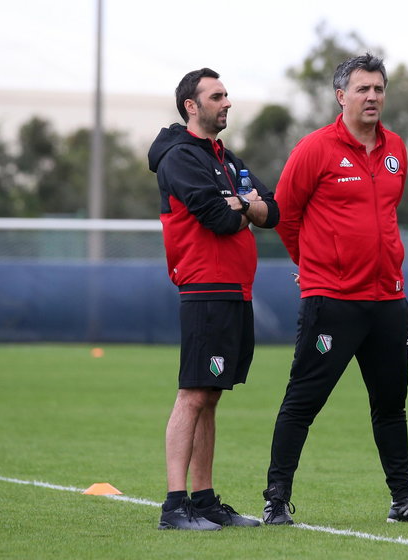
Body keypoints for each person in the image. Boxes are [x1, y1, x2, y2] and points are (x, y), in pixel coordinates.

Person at [261, 53, 408, 525]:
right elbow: (285, 214)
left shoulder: (396, 148)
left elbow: (384, 216)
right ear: (341, 96)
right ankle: (276, 500)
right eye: (363, 89)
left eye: (379, 89)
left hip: (388, 301)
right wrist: (309, 263)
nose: (372, 97)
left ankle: (403, 499)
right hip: (333, 301)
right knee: (303, 402)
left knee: (391, 406)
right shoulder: (315, 149)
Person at [147, 68, 279, 530]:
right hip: (205, 288)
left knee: (211, 396)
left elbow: (273, 207)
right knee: (193, 394)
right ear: (191, 106)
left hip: (235, 289)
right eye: (217, 96)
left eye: (227, 95)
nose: (227, 103)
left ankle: (203, 500)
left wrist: (242, 204)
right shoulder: (180, 158)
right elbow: (218, 221)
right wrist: (245, 207)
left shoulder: (225, 157)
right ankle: (174, 505)